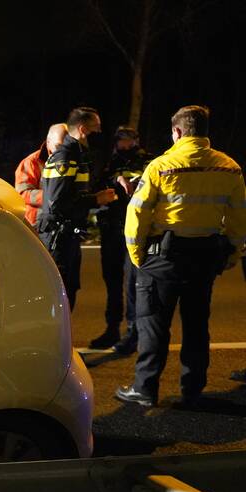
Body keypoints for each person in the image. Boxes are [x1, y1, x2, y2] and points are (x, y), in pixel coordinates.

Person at [115, 105, 246, 408]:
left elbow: (137, 214)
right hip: (204, 257)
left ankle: (145, 389)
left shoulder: (161, 166)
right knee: (197, 326)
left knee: (152, 326)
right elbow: (239, 217)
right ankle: (193, 390)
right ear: (204, 131)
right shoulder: (229, 167)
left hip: (163, 258)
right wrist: (233, 253)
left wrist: (137, 257)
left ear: (177, 132)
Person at [37, 107, 117, 310]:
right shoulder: (65, 158)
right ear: (82, 129)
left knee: (69, 293)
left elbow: (73, 195)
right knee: (57, 299)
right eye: (95, 129)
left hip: (70, 235)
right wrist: (93, 200)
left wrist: (95, 196)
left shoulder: (78, 156)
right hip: (58, 238)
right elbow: (57, 203)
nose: (99, 133)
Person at [88, 127, 152, 351]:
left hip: (135, 230)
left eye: (128, 141)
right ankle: (112, 329)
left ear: (136, 140)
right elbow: (96, 185)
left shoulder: (148, 161)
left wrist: (133, 182)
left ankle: (133, 332)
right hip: (111, 229)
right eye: (120, 141)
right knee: (112, 281)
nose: (124, 145)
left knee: (134, 283)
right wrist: (117, 178)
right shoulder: (110, 163)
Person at [15, 123, 68, 226]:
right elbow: (22, 194)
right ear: (48, 142)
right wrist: (52, 197)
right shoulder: (31, 162)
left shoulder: (70, 161)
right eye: (58, 146)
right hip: (37, 225)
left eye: (65, 147)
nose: (62, 151)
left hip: (60, 224)